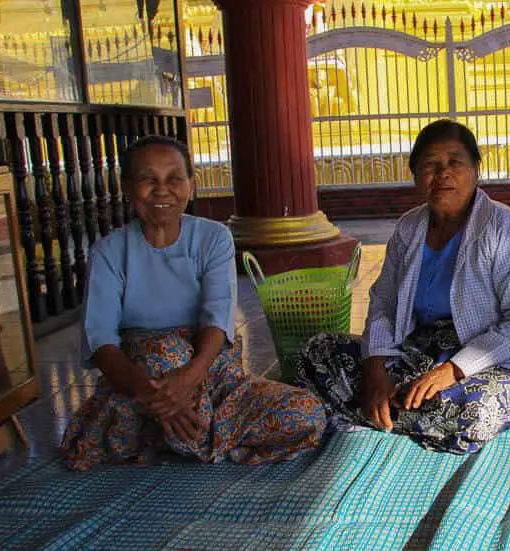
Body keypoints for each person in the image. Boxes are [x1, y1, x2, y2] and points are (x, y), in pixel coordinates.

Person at [62, 136, 326, 470]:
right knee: (162, 352)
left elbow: (218, 317)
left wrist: (187, 380)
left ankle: (174, 438)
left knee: (307, 413)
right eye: (148, 180)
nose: (162, 190)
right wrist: (151, 392)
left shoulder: (213, 238)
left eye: (174, 179)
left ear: (191, 186)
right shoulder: (109, 252)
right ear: (127, 189)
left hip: (210, 372)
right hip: (139, 385)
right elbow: (100, 338)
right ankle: (198, 436)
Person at [295, 119, 510, 454]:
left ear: (476, 169)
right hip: (421, 355)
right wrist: (375, 373)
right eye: (430, 165)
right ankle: (392, 409)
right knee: (318, 351)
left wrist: (453, 371)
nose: (443, 173)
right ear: (416, 176)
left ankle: (372, 412)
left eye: (455, 162)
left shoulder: (505, 229)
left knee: (475, 409)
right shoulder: (409, 228)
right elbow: (383, 304)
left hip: (496, 363)